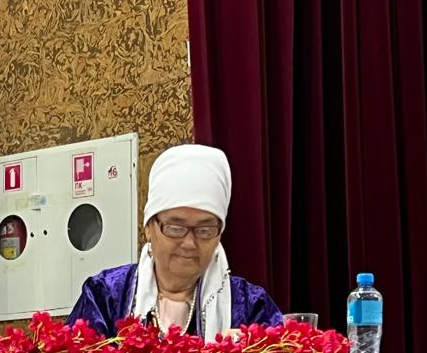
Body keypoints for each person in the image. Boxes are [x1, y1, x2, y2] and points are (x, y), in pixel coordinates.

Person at [66, 144, 282, 338]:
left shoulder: (252, 307)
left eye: (205, 230)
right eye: (176, 228)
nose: (189, 243)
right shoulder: (105, 296)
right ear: (149, 227)